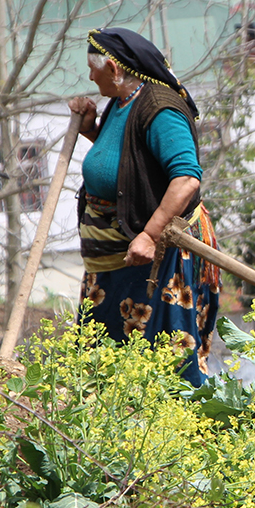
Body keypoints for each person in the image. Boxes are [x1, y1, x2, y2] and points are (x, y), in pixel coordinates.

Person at [68, 27, 219, 385]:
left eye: (93, 69)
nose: (90, 78)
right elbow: (127, 160)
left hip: (157, 259)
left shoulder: (160, 109)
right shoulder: (123, 101)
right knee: (104, 360)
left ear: (114, 69)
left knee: (163, 359)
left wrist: (150, 236)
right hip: (113, 258)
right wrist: (91, 130)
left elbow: (186, 178)